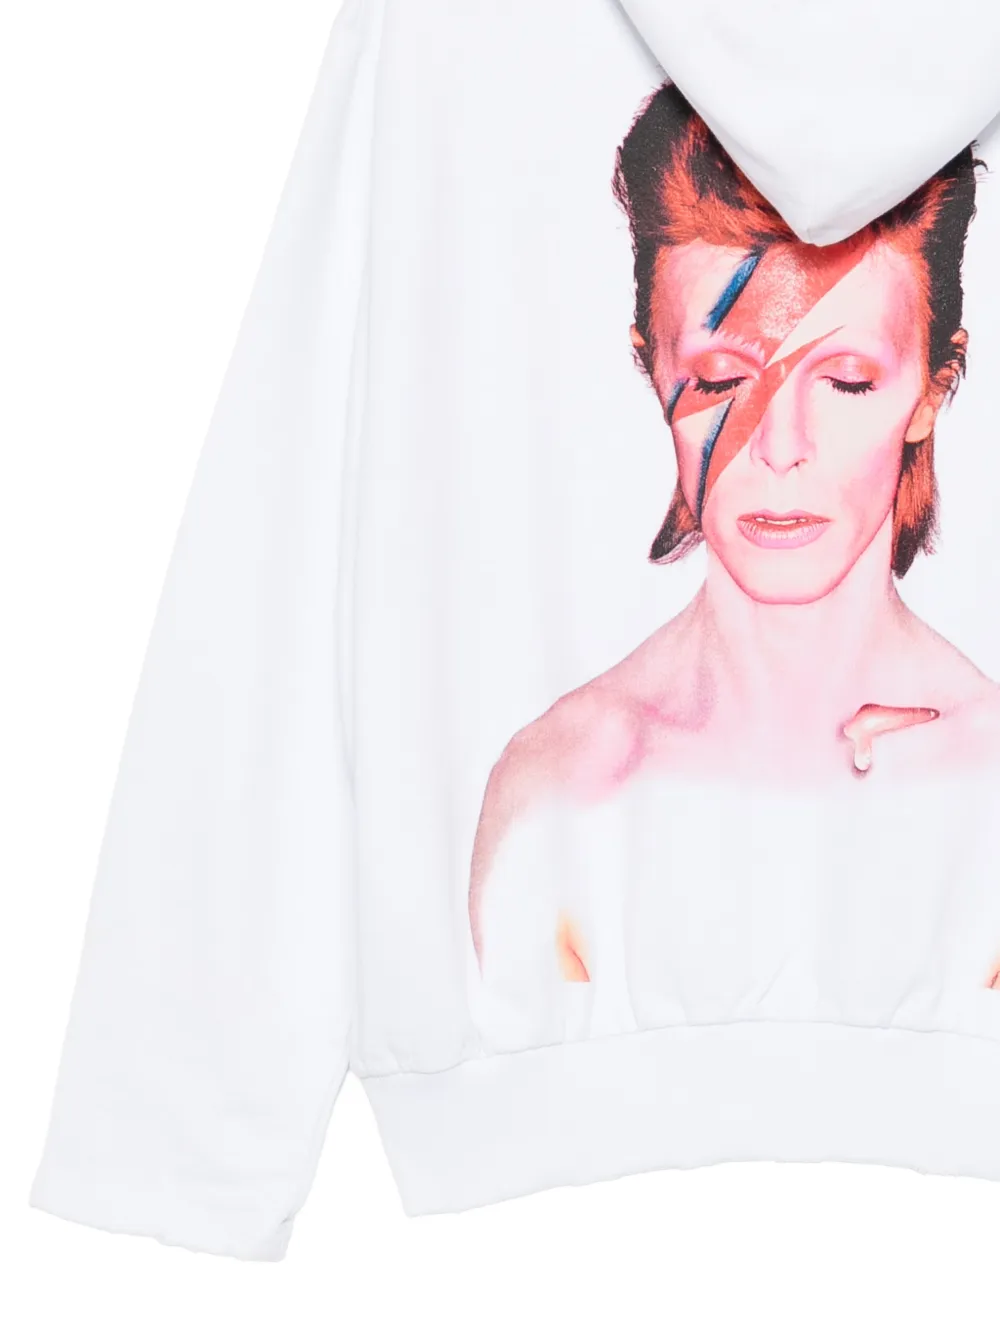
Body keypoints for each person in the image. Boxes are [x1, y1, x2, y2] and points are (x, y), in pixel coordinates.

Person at [468, 84, 1000, 980]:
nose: (779, 448)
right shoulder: (558, 790)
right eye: (720, 381)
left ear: (932, 390)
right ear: (652, 368)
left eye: (846, 380)